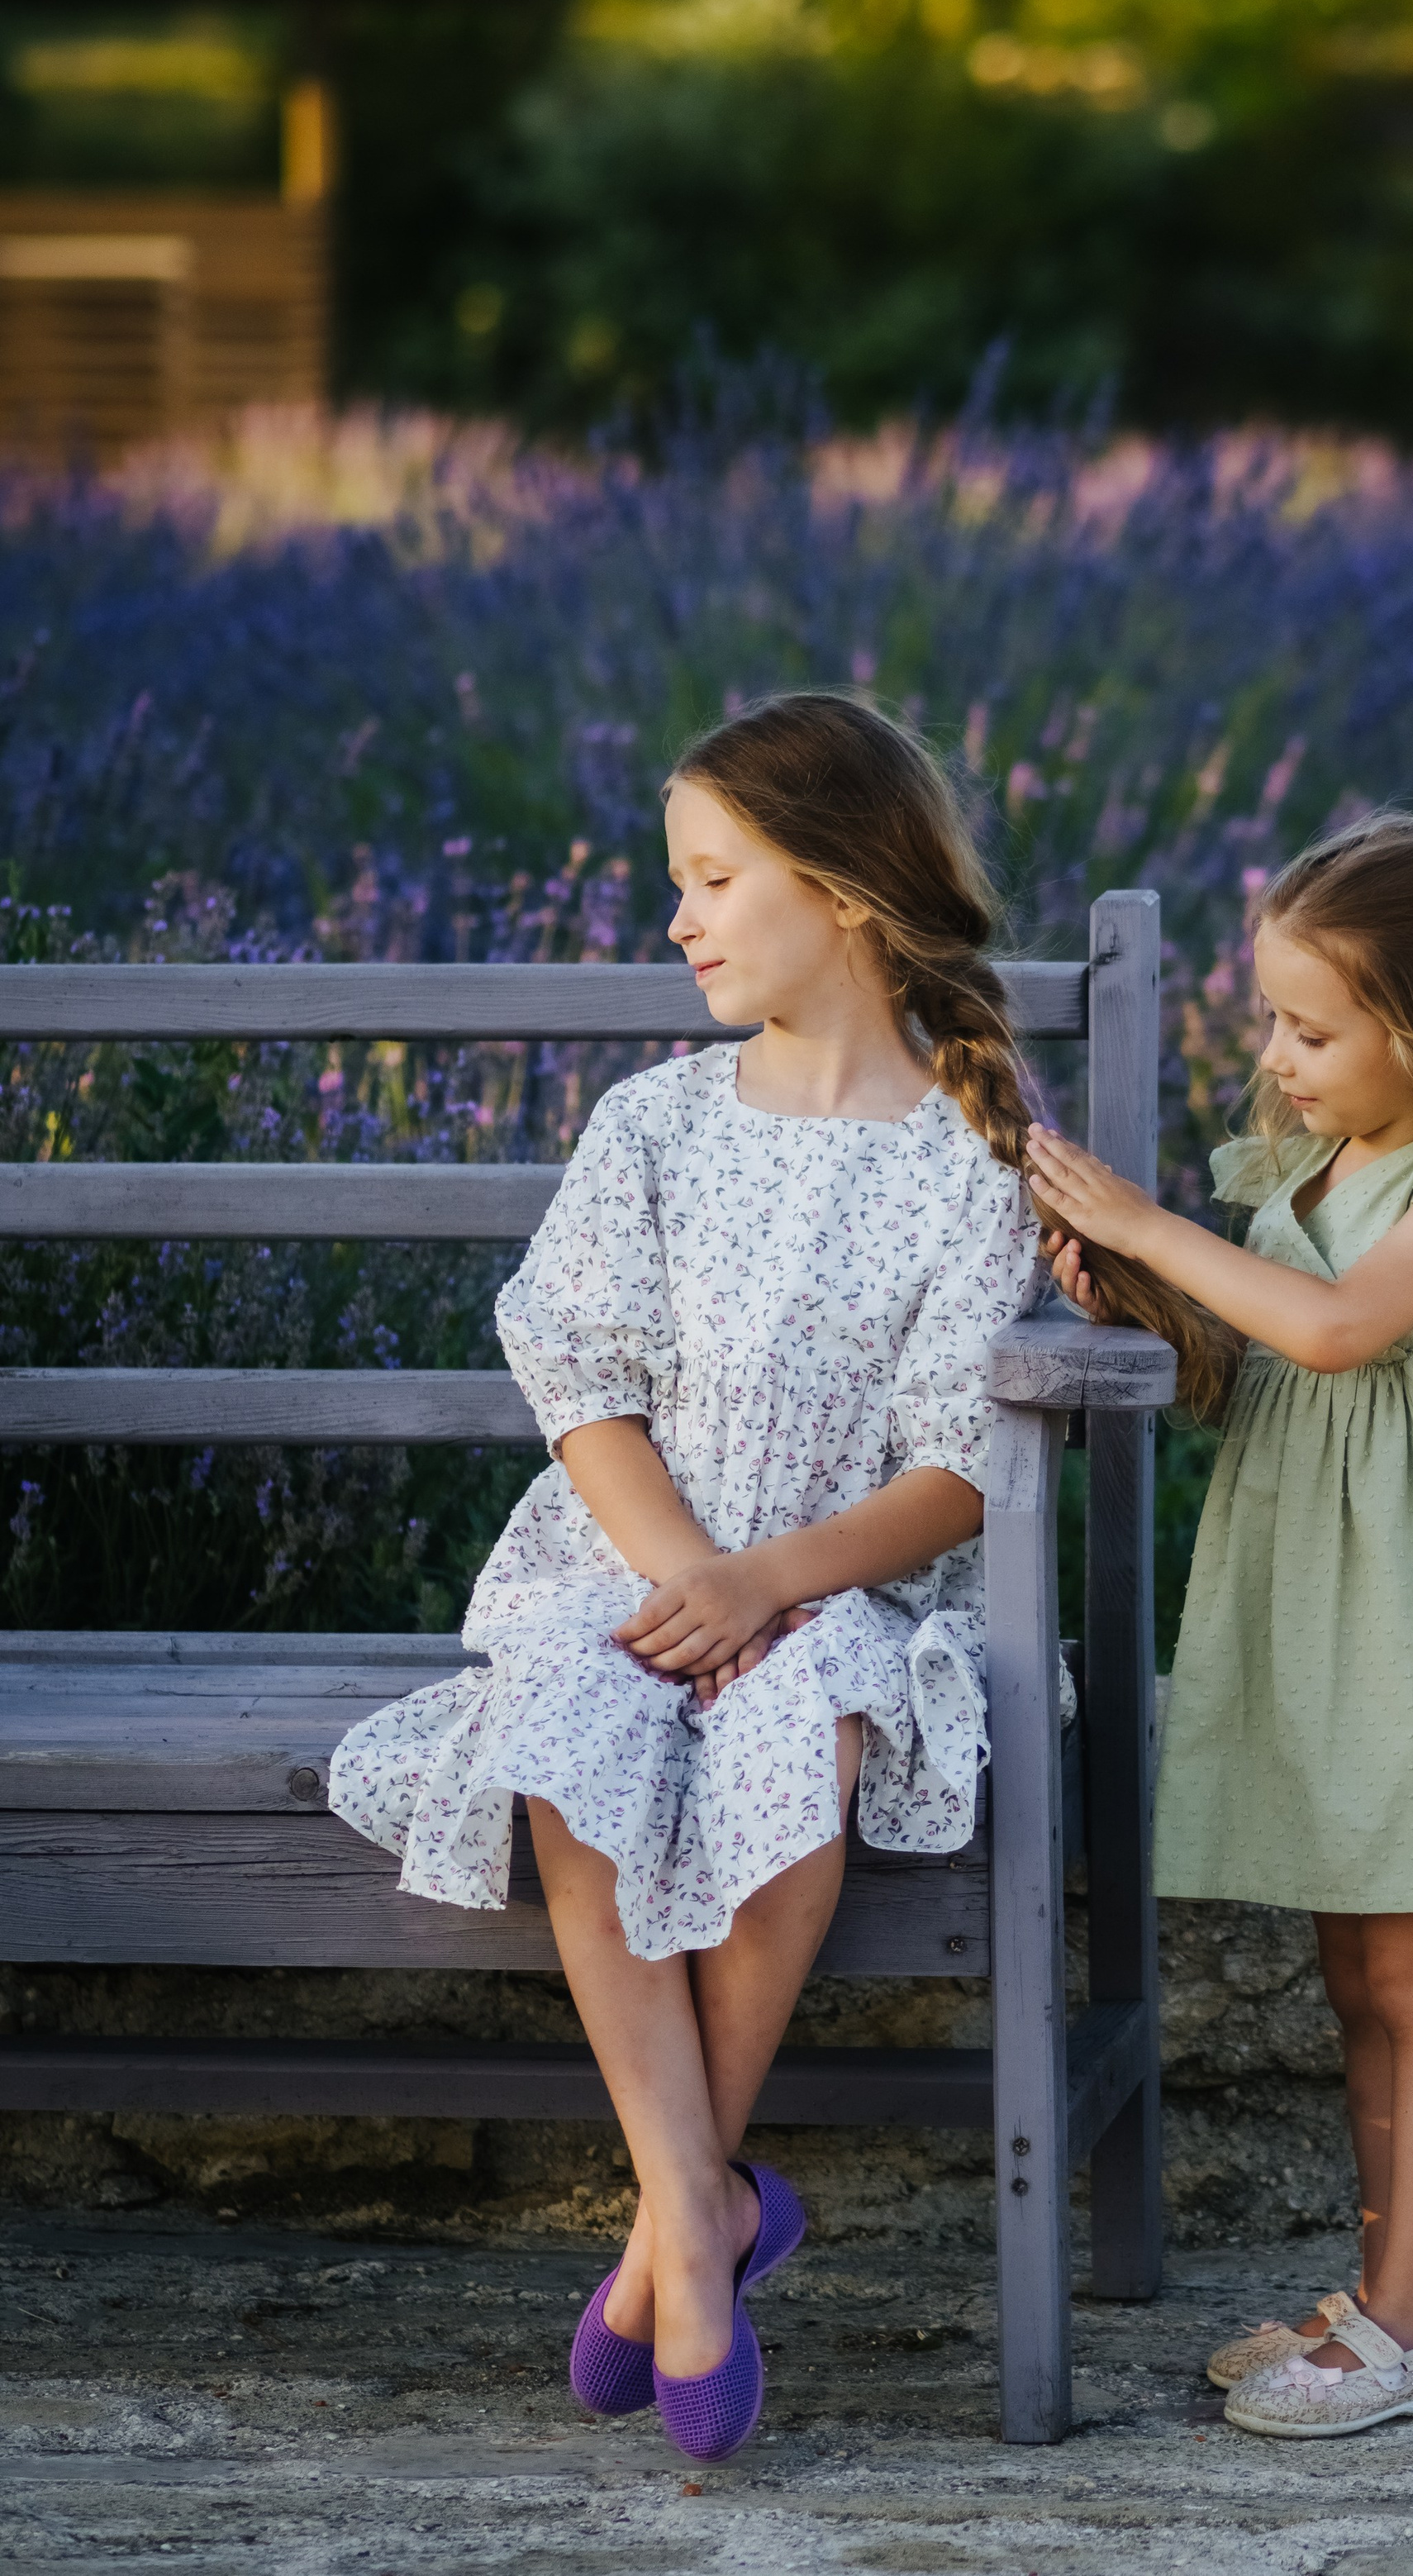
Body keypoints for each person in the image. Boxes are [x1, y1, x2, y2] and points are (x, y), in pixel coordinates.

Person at [330, 694, 1059, 2464]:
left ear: (847, 894)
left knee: (793, 1758)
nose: (679, 918)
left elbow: (960, 1469)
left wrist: (769, 1591)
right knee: (574, 1732)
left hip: (838, 1596)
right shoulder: (658, 1122)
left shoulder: (965, 1164)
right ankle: (700, 2220)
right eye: (683, 881)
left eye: (715, 879)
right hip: (623, 1565)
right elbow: (579, 1377)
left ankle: (677, 2231)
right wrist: (683, 1581)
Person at [1026, 811, 1413, 2442]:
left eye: (1309, 1026)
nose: (1273, 1056)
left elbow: (1339, 1331)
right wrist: (1128, 1291)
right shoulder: (1309, 1169)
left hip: (1408, 1613)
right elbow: (1259, 1358)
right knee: (1354, 1973)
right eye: (1267, 1018)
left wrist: (1149, 1223)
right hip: (1310, 1602)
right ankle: (1373, 2300)